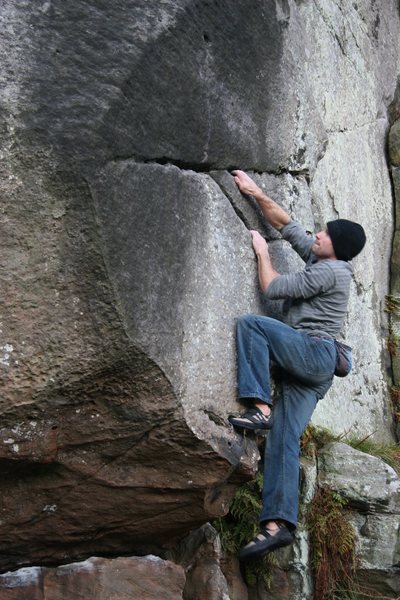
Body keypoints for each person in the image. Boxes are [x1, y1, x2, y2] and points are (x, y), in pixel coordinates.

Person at [228, 170, 366, 561]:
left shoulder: (330, 271)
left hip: (313, 353)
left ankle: (259, 407)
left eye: (324, 233)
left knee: (252, 325)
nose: (317, 235)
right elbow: (288, 224)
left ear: (335, 246)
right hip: (313, 372)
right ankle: (277, 526)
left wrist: (262, 253)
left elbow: (271, 288)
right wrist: (256, 193)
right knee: (284, 441)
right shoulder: (327, 258)